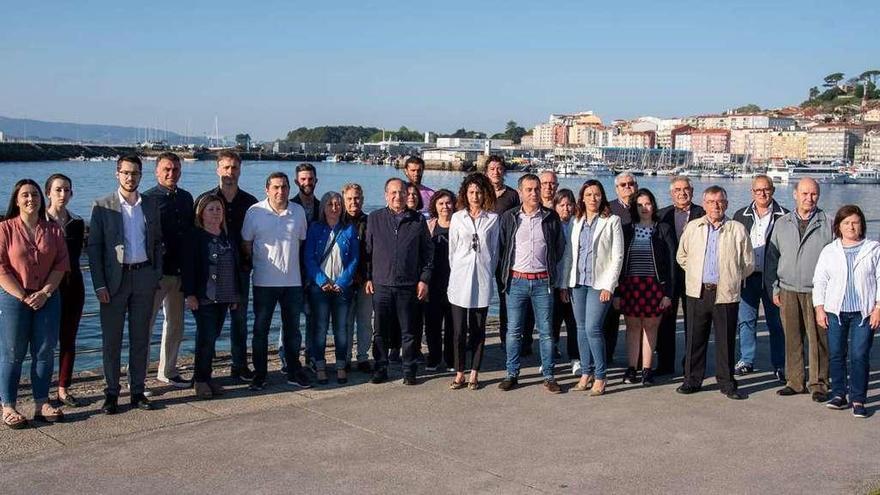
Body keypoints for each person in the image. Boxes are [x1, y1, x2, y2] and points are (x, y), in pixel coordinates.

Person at [88, 155, 163, 414]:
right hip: (114, 282)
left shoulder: (151, 205)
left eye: (135, 173)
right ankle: (111, 393)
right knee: (112, 340)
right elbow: (94, 249)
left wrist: (155, 275)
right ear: (117, 174)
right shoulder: (102, 206)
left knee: (141, 338)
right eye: (126, 173)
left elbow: (157, 243)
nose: (131, 178)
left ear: (142, 175)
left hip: (144, 277)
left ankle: (138, 391)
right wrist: (99, 285)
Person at [0, 179, 69, 428]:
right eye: (25, 195)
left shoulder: (53, 230)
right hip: (14, 299)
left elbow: (61, 264)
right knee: (12, 353)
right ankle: (8, 405)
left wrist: (45, 293)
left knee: (44, 351)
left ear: (42, 199)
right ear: (17, 200)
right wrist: (22, 295)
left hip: (48, 298)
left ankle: (41, 402)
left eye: (35, 195)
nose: (31, 199)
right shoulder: (5, 229)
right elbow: (1, 267)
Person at [675, 186, 754, 400]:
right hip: (698, 291)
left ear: (726, 204)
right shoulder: (693, 227)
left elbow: (747, 263)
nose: (715, 206)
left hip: (725, 292)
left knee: (725, 340)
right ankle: (692, 380)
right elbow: (682, 256)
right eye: (710, 202)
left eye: (719, 201)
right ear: (704, 204)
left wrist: (731, 277)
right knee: (694, 338)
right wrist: (695, 273)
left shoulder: (737, 229)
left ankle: (727, 383)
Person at [241, 172, 311, 391]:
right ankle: (260, 374)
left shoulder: (297, 212)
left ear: (290, 189)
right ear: (267, 189)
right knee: (261, 329)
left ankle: (293, 371)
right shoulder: (255, 212)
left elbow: (300, 243)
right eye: (276, 187)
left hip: (292, 282)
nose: (280, 192)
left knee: (292, 330)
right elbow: (246, 244)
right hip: (263, 282)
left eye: (284, 187)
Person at [766, 178, 833, 401]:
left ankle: (819, 384)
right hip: (787, 289)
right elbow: (772, 258)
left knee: (818, 339)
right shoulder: (782, 223)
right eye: (804, 194)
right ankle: (794, 382)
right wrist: (774, 288)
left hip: (818, 293)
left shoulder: (828, 223)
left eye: (813, 194)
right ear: (795, 195)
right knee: (792, 338)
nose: (809, 198)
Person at [497, 174, 565, 393]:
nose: (534, 193)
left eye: (537, 189)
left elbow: (559, 247)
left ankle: (549, 375)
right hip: (516, 281)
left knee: (546, 332)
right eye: (529, 189)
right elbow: (501, 246)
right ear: (520, 193)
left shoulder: (551, 217)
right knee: (513, 331)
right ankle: (512, 373)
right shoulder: (509, 217)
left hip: (542, 282)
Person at [196, 150, 258, 382]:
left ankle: (239, 365)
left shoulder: (250, 203)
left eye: (234, 168)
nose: (229, 172)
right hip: (211, 272)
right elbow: (196, 236)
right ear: (217, 169)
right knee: (209, 325)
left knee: (240, 320)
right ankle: (204, 372)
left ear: (240, 170)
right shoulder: (206, 200)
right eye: (225, 167)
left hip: (240, 271)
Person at [812, 205, 880, 418]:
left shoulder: (873, 248)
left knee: (859, 355)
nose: (851, 227)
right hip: (835, 311)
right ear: (838, 227)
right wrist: (819, 308)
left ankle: (858, 399)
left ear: (861, 225)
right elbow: (820, 280)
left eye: (855, 222)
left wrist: (878, 308)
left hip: (864, 312)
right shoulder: (830, 250)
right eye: (846, 223)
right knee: (836, 354)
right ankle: (839, 394)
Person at [365, 178, 433, 385]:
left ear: (407, 195)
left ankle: (409, 370)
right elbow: (368, 251)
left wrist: (424, 279)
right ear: (386, 195)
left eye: (402, 192)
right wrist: (368, 277)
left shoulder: (418, 220)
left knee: (409, 331)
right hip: (382, 284)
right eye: (393, 193)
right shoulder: (374, 218)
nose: (398, 196)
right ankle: (381, 367)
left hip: (408, 284)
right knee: (380, 331)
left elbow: (427, 253)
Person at [560, 180, 623, 395]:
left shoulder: (611, 221)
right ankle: (585, 373)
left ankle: (601, 375)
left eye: (596, 194)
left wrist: (610, 285)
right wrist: (564, 283)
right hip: (578, 282)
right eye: (588, 194)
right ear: (582, 198)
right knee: (580, 329)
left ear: (602, 197)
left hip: (600, 284)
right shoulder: (576, 221)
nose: (593, 198)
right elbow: (569, 253)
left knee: (593, 329)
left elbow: (617, 256)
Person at [143, 152, 194, 389]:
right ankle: (138, 377)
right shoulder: (147, 200)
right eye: (166, 169)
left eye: (175, 169)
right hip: (156, 274)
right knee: (145, 326)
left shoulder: (186, 198)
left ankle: (168, 370)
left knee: (175, 325)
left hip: (180, 271)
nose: (171, 173)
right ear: (156, 171)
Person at [615, 188, 676, 386]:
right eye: (640, 204)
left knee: (650, 328)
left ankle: (647, 371)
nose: (644, 208)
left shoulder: (663, 229)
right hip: (630, 286)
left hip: (654, 286)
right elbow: (618, 261)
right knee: (632, 328)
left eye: (648, 203)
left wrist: (668, 293)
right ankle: (632, 368)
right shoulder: (626, 230)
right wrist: (616, 292)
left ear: (653, 205)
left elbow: (671, 263)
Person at [182, 194, 241, 400]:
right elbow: (188, 268)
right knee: (206, 339)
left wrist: (234, 295)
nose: (215, 213)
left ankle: (207, 378)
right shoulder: (195, 237)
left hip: (223, 296)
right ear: (201, 213)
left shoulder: (227, 236)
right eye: (211, 209)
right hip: (204, 296)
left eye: (218, 209)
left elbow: (234, 267)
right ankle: (200, 380)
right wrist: (189, 294)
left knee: (213, 338)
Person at [732, 175, 788, 381]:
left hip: (773, 278)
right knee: (746, 320)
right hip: (748, 277)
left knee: (776, 322)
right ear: (752, 192)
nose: (763, 194)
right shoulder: (741, 215)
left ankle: (779, 364)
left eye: (766, 190)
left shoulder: (785, 216)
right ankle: (746, 360)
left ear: (773, 190)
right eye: (758, 190)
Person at [448, 174, 499, 390]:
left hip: (482, 278)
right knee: (459, 330)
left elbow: (495, 251)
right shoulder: (458, 218)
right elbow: (452, 250)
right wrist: (460, 268)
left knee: (478, 329)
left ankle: (475, 372)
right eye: (471, 192)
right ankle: (460, 371)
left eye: (478, 192)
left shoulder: (493, 219)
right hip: (460, 278)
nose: (475, 196)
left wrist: (487, 269)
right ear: (465, 194)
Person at [304, 191, 359, 385]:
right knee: (319, 328)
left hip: (341, 288)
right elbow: (308, 258)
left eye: (337, 204)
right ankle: (319, 365)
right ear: (323, 208)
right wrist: (321, 280)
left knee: (341, 329)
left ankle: (341, 365)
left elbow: (353, 259)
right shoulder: (315, 228)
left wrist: (342, 282)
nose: (334, 208)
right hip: (320, 288)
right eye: (330, 204)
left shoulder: (349, 230)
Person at [655, 176, 705, 376]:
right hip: (669, 277)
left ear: (692, 192)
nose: (682, 193)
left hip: (694, 275)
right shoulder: (662, 215)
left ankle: (690, 365)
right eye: (677, 189)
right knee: (666, 322)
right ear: (671, 193)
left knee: (693, 323)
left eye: (686, 189)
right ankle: (665, 364)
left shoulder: (703, 213)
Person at [44, 174, 86, 407]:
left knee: (68, 339)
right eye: (58, 190)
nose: (62, 194)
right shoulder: (40, 222)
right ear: (48, 192)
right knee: (45, 341)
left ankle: (63, 387)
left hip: (73, 285)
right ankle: (43, 389)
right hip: (48, 286)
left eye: (67, 190)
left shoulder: (77, 222)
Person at [486, 155, 528, 354]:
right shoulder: (479, 193)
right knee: (479, 296)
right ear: (486, 171)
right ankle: (474, 337)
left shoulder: (512, 196)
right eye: (492, 168)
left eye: (499, 168)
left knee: (505, 297)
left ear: (504, 171)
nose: (496, 172)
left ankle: (506, 337)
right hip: (484, 253)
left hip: (505, 254)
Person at [603, 171, 639, 364]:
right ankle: (606, 357)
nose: (628, 187)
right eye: (623, 185)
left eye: (631, 183)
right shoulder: (608, 209)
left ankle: (638, 360)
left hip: (638, 273)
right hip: (614, 272)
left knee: (637, 319)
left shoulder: (644, 207)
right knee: (610, 319)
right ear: (616, 188)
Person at [288, 162, 320, 368]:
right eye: (303, 179)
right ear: (296, 181)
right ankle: (287, 357)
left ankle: (310, 357)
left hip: (315, 271)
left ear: (316, 181)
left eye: (310, 179)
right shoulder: (290, 207)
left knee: (313, 318)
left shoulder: (322, 207)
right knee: (289, 319)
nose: (307, 183)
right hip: (292, 270)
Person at [342, 183, 373, 373]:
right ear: (344, 199)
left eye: (357, 198)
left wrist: (369, 276)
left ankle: (362, 356)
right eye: (350, 198)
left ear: (362, 199)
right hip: (344, 280)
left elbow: (374, 252)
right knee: (345, 322)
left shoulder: (370, 221)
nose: (354, 202)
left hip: (365, 280)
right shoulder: (337, 221)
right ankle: (344, 357)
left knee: (364, 321)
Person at [424, 189, 456, 372]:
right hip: (433, 282)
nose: (445, 207)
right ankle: (434, 358)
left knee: (453, 324)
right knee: (432, 323)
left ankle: (451, 360)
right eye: (441, 203)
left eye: (448, 203)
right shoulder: (429, 225)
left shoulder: (460, 224)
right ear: (435, 206)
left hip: (454, 282)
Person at [552, 189, 580, 375]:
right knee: (552, 321)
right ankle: (550, 354)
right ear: (555, 206)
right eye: (561, 204)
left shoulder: (577, 224)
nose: (566, 208)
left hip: (572, 281)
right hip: (553, 282)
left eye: (569, 204)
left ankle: (575, 358)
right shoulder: (550, 224)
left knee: (573, 322)